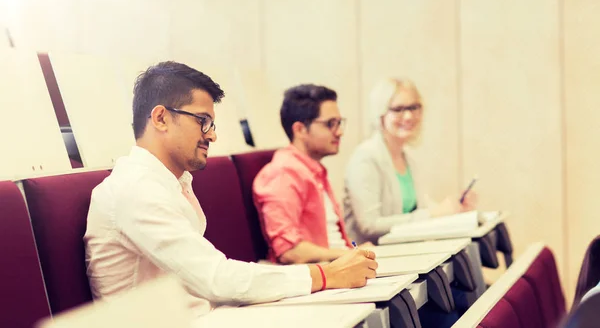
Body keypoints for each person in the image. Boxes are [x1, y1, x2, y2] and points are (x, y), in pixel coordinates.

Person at [84, 62, 377, 317]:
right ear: (160, 118)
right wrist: (326, 275)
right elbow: (216, 278)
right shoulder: (134, 189)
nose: (212, 134)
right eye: (203, 121)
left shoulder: (170, 182)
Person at [344, 77, 477, 244]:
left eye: (413, 107)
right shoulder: (365, 158)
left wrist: (452, 210)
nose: (408, 116)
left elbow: (419, 211)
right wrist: (433, 214)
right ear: (381, 114)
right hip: (373, 260)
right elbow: (370, 225)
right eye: (398, 109)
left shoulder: (408, 158)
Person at [254, 84, 372, 265]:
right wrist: (347, 255)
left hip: (338, 268)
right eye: (330, 124)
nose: (339, 132)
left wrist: (355, 253)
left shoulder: (312, 170)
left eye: (339, 123)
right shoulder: (283, 174)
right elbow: (289, 251)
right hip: (322, 277)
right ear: (300, 129)